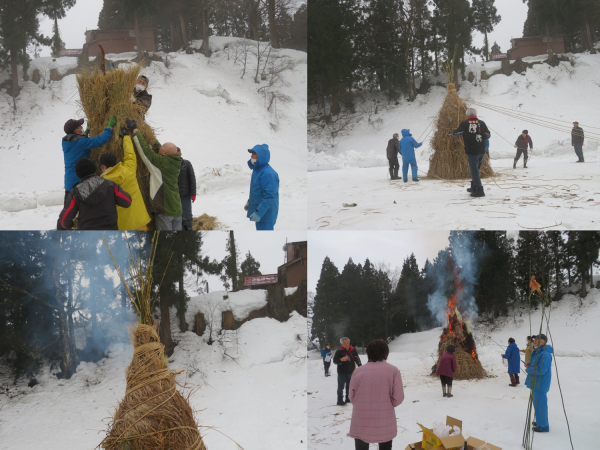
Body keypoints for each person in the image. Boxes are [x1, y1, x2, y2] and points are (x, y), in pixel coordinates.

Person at [127, 120, 183, 230]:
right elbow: (160, 148)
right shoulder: (175, 160)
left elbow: (145, 152)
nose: (158, 149)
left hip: (165, 210)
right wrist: (150, 135)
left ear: (165, 153)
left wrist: (135, 130)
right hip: (177, 210)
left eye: (161, 149)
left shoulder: (160, 163)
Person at [348, 339, 404, 450]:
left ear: (368, 353)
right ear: (385, 353)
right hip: (385, 418)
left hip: (361, 418)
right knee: (385, 445)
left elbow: (351, 396)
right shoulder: (393, 371)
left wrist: (362, 404)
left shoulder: (358, 372)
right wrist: (387, 404)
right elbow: (398, 398)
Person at [99, 126, 151, 231]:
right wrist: (126, 137)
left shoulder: (103, 183)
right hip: (140, 221)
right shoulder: (129, 170)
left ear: (104, 167)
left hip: (121, 226)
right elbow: (130, 155)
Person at [57, 157, 132, 230]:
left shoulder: (75, 193)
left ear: (78, 174)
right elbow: (127, 201)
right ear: (94, 170)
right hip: (111, 235)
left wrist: (72, 225)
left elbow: (64, 221)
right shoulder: (110, 185)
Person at [62, 116, 115, 205]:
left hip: (69, 183)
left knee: (69, 212)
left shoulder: (67, 142)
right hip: (80, 183)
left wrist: (85, 133)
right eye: (80, 127)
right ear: (76, 131)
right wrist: (109, 127)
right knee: (85, 211)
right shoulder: (81, 142)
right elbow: (102, 140)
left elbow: (78, 143)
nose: (82, 128)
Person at [453, 108, 491, 197]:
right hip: (482, 151)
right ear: (476, 114)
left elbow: (456, 134)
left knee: (474, 171)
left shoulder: (465, 123)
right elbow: (488, 135)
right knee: (476, 170)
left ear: (467, 115)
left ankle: (480, 189)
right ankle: (473, 186)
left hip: (472, 151)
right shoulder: (482, 123)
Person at [245, 145, 279, 230]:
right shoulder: (257, 170)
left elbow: (270, 196)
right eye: (251, 153)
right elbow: (257, 191)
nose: (251, 156)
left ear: (261, 156)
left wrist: (259, 213)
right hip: (260, 211)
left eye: (254, 153)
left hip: (266, 214)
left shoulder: (269, 173)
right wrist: (250, 202)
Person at [525, 334, 553, 433]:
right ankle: (540, 421)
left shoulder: (545, 354)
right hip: (537, 383)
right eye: (534, 339)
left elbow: (542, 370)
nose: (535, 341)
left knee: (540, 405)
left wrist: (529, 369)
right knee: (537, 404)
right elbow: (537, 364)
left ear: (543, 341)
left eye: (537, 339)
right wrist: (530, 364)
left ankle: (543, 426)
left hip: (540, 384)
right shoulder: (539, 352)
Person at [333, 337, 362, 406]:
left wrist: (360, 366)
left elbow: (357, 358)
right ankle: (339, 400)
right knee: (341, 387)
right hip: (341, 372)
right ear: (341, 344)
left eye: (348, 343)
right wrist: (340, 360)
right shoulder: (339, 351)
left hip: (351, 372)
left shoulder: (352, 350)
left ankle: (348, 398)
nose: (347, 344)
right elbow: (334, 361)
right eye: (345, 343)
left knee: (349, 386)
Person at [176, 148, 197, 231]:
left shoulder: (186, 163)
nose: (176, 155)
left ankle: (188, 228)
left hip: (185, 194)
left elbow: (192, 179)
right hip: (175, 195)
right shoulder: (171, 164)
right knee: (177, 215)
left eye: (178, 153)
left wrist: (193, 194)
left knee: (187, 214)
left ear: (180, 154)